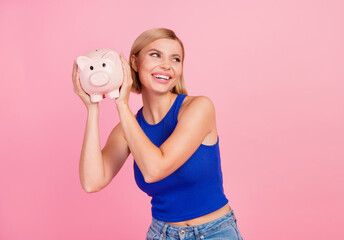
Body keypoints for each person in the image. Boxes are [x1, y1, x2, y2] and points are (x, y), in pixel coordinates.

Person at [72, 28, 243, 240]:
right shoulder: (129, 128)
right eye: (155, 55)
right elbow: (92, 181)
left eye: (176, 59)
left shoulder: (199, 108)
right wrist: (92, 108)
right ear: (134, 63)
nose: (166, 65)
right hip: (162, 234)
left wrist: (122, 104)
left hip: (215, 232)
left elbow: (155, 169)